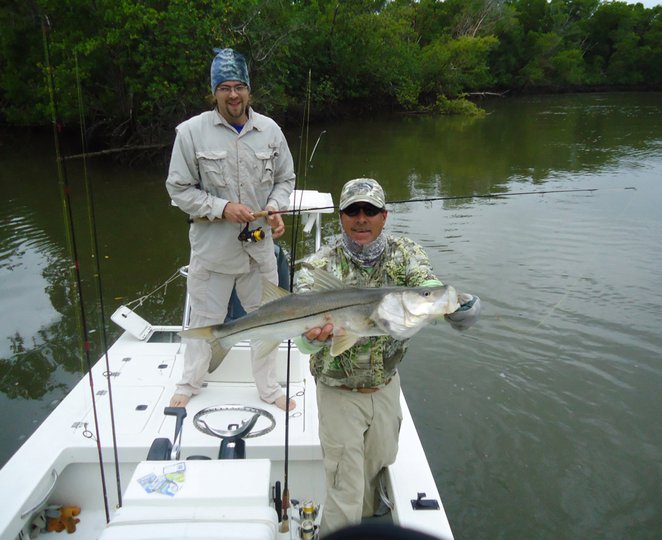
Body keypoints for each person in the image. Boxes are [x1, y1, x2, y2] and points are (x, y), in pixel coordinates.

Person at [294, 178, 481, 535]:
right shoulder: (321, 264)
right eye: (352, 211)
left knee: (378, 465)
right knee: (345, 486)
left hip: (385, 387)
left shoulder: (404, 253)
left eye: (370, 211)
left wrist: (456, 305)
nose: (361, 219)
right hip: (338, 392)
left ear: (384, 216)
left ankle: (363, 527)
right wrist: (312, 340)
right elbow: (302, 341)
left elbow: (425, 284)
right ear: (341, 217)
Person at [166, 48, 296, 411]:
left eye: (239, 86)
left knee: (266, 322)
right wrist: (222, 208)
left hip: (259, 250)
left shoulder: (270, 131)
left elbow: (285, 178)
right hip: (213, 252)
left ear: (249, 90)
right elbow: (178, 189)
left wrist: (274, 207)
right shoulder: (190, 133)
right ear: (215, 93)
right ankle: (190, 382)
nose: (234, 94)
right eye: (225, 87)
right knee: (203, 321)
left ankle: (269, 389)